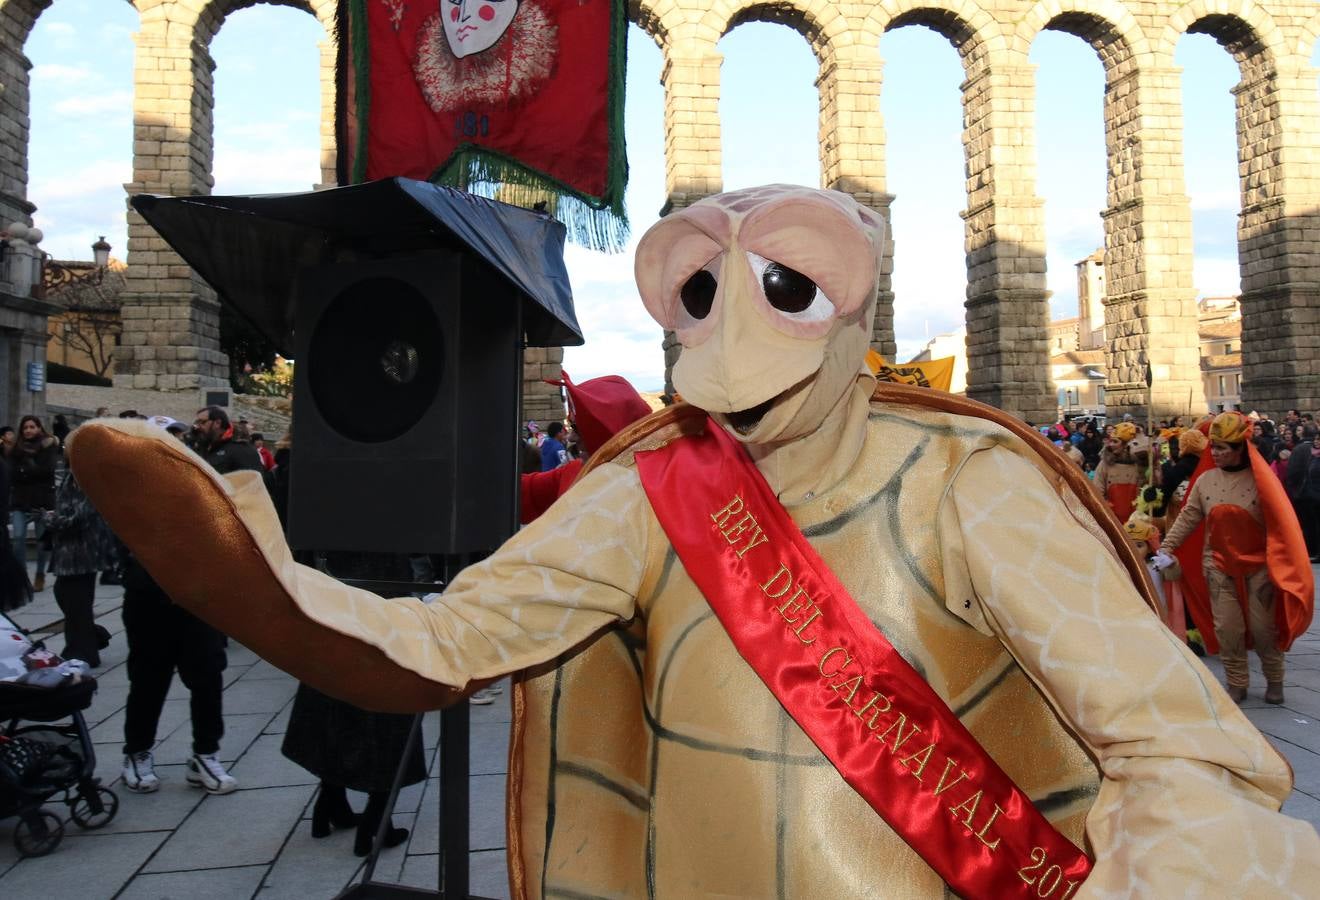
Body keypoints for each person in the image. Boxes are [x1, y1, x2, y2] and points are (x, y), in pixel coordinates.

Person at [71, 186, 1320, 895]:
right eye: (699, 294)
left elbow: (1166, 736)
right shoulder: (656, 483)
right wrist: (276, 597)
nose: (733, 336)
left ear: (850, 312)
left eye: (780, 288)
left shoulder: (967, 476)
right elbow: (458, 637)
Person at [118, 419, 237, 796]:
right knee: (149, 678)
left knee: (207, 675)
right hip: (149, 596)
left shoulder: (198, 481)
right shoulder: (132, 488)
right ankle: (136, 752)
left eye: (178, 438)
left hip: (197, 595)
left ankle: (205, 753)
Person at [1160, 412, 1312, 705]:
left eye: (1222, 448)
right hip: (1217, 564)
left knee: (1262, 628)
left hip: (1258, 567)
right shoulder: (1205, 481)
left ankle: (1274, 677)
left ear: (1239, 448)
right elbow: (1188, 518)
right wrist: (1166, 548)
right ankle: (1236, 682)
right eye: (1212, 447)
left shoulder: (1261, 482)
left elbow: (1282, 525)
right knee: (1227, 628)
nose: (1215, 453)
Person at [46, 469, 116, 667]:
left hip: (80, 554)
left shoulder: (86, 478)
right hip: (71, 553)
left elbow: (79, 517)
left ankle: (83, 650)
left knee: (76, 602)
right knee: (68, 597)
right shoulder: (73, 476)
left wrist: (50, 519)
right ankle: (88, 640)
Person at [10, 415, 59, 592]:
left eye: (32, 427)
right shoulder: (16, 449)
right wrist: (28, 471)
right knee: (18, 537)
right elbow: (13, 474)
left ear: (39, 428)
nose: (28, 430)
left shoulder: (48, 446)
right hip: (20, 501)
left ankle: (39, 574)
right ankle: (21, 576)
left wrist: (26, 469)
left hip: (41, 501)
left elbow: (47, 471)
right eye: (25, 428)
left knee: (41, 542)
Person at [1093, 421, 1141, 523]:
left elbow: (1142, 488)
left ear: (1125, 445)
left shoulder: (1136, 464)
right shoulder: (1104, 464)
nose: (1111, 445)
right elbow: (1097, 490)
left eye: (1115, 442)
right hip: (1112, 517)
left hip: (1134, 518)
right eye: (1111, 441)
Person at [192, 406, 263, 474]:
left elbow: (252, 483)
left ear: (217, 423)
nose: (197, 427)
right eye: (197, 423)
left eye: (202, 422)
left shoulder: (242, 450)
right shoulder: (204, 446)